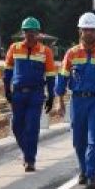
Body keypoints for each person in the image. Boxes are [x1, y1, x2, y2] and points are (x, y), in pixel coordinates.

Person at [54, 12, 95, 189]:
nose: (89, 33)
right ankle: (83, 168)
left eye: (92, 30)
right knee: (79, 141)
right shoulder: (71, 54)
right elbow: (62, 78)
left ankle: (91, 175)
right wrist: (60, 101)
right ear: (80, 31)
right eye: (85, 30)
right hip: (77, 101)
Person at [3, 17, 57, 172]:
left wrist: (51, 96)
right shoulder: (14, 48)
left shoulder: (45, 51)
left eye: (33, 32)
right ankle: (27, 152)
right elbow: (7, 71)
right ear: (23, 32)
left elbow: (51, 75)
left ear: (38, 33)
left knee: (32, 127)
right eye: (27, 32)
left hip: (36, 94)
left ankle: (30, 160)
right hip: (18, 94)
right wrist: (7, 89)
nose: (30, 35)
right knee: (16, 126)